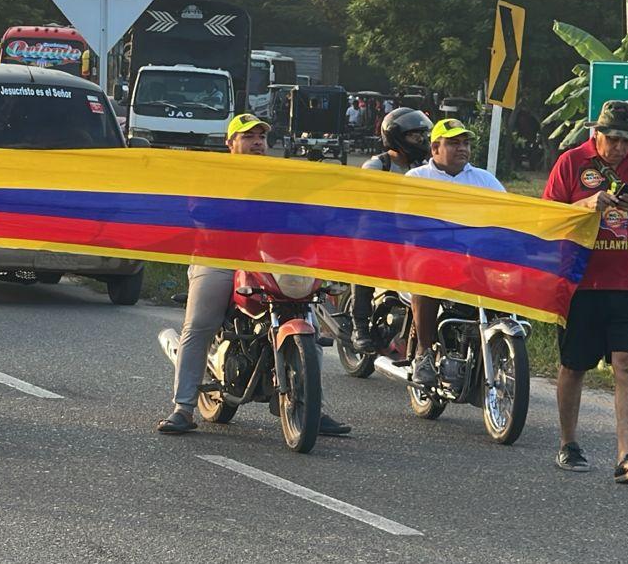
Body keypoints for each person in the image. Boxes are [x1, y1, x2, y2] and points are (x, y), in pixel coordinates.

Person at [157, 114, 352, 437]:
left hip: (271, 258)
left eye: (261, 136)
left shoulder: (282, 175)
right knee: (201, 322)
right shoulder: (213, 175)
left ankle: (312, 406)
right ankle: (183, 407)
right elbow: (198, 211)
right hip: (218, 257)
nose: (257, 142)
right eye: (248, 137)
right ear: (230, 142)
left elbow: (305, 211)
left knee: (309, 320)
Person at [543, 100, 628, 484]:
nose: (619, 148)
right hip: (581, 282)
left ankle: (626, 456)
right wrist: (585, 204)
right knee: (574, 365)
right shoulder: (570, 163)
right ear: (595, 133)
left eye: (626, 141)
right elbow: (547, 219)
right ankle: (569, 442)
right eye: (612, 139)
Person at [403, 119, 505, 387]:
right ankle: (424, 352)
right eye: (453, 143)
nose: (462, 148)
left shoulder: (485, 180)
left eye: (466, 143)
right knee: (427, 274)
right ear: (435, 148)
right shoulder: (417, 179)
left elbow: (510, 215)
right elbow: (401, 221)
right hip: (427, 261)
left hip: (473, 262)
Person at [345, 107, 434, 351]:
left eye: (424, 135)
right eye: (415, 136)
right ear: (396, 137)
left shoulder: (428, 168)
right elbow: (364, 201)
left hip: (414, 235)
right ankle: (359, 326)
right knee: (365, 264)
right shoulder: (377, 165)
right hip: (378, 234)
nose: (422, 140)